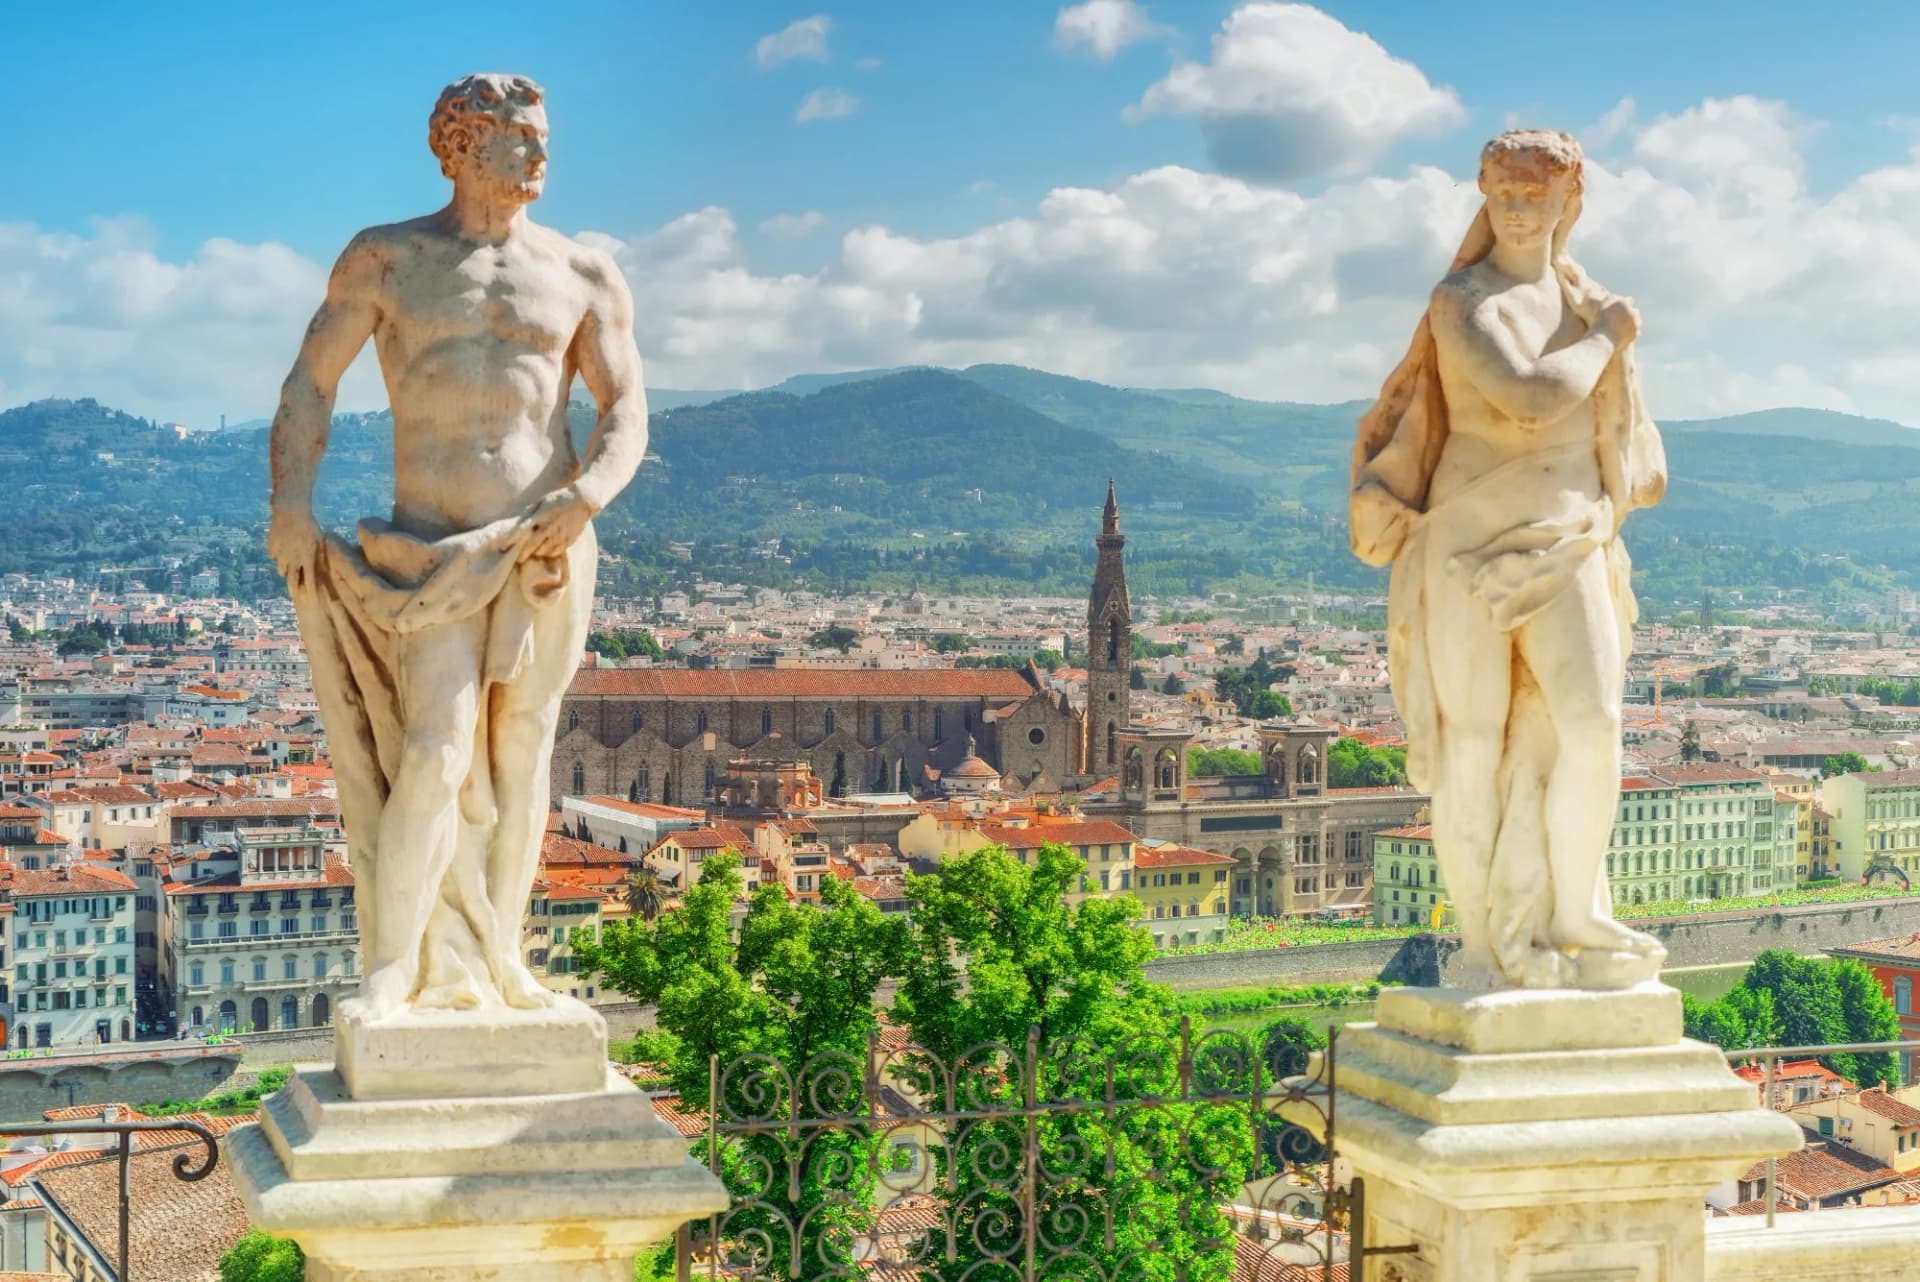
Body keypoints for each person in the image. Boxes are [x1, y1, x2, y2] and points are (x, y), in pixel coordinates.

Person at [267, 73, 649, 1018]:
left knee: (525, 755)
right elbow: (310, 387)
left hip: (544, 547)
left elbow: (626, 410)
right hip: (426, 553)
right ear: (464, 143)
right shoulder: (389, 260)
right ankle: (397, 965)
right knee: (436, 749)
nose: (543, 155)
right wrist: (291, 505)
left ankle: (502, 961)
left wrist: (589, 495)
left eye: (545, 138)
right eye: (524, 137)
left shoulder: (583, 273)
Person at [1350, 130, 1666, 990]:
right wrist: (1611, 339)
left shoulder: (1585, 302)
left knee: (1593, 724)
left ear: (1571, 202)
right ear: (1485, 195)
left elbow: (1634, 464)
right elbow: (1529, 401)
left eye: (1538, 193)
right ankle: (1486, 943)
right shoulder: (1463, 300)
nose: (1521, 208)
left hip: (1568, 537)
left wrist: (1603, 329)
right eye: (1506, 192)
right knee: (1471, 742)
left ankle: (1574, 913)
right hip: (1462, 544)